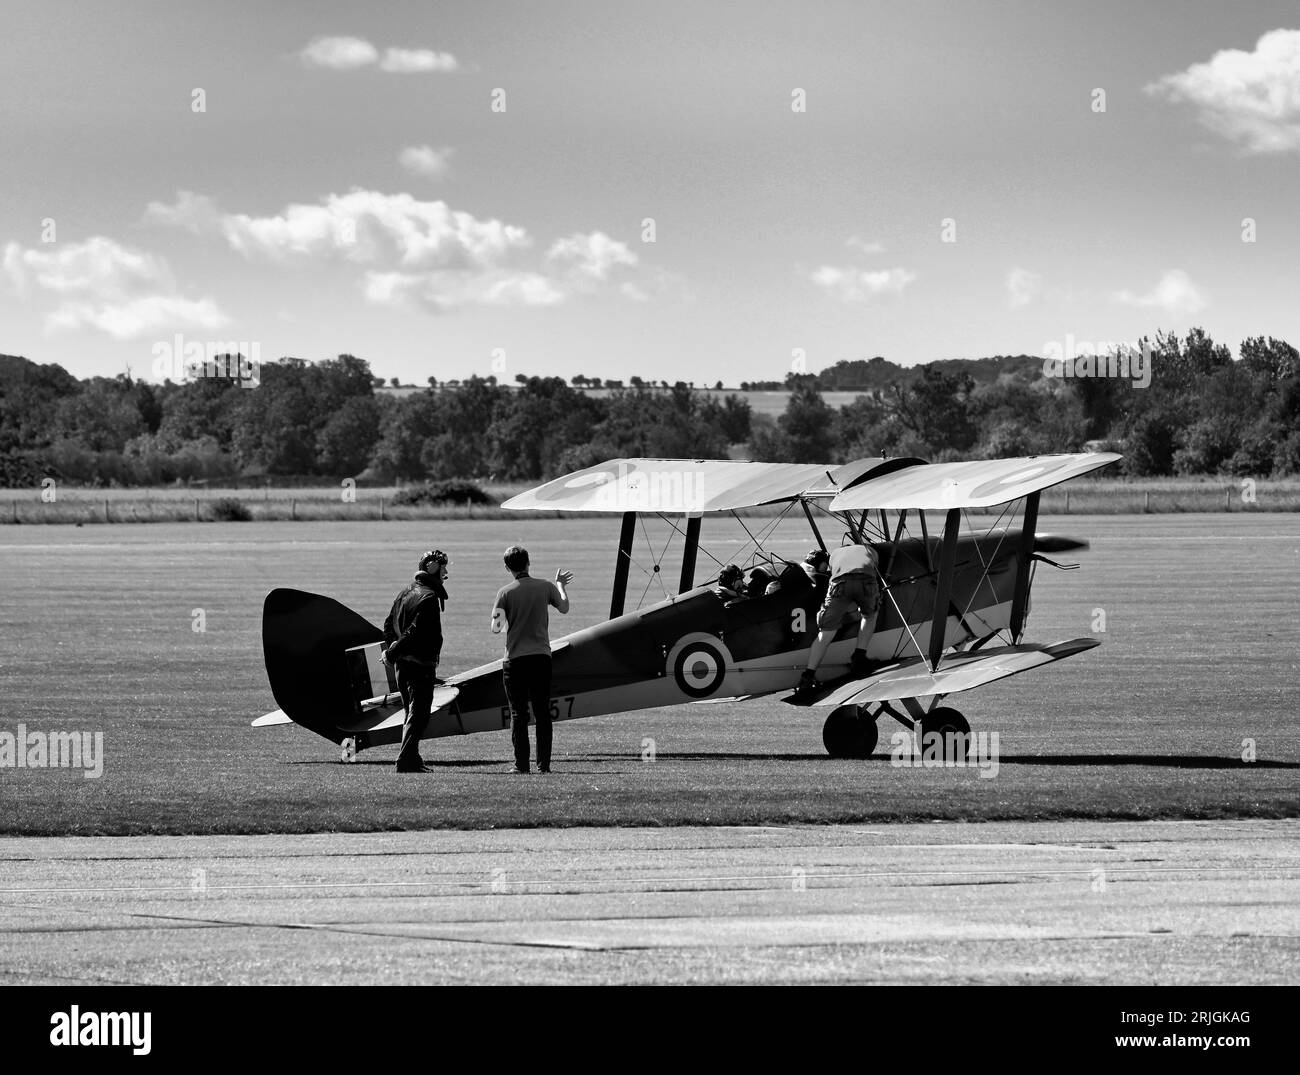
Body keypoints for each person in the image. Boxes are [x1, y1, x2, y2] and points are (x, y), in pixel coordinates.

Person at [490, 545, 572, 774]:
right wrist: (560, 586)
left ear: (507, 567)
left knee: (518, 713)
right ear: (529, 562)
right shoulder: (545, 587)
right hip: (541, 658)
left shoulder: (505, 592)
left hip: (515, 659)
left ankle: (521, 765)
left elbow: (496, 628)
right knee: (542, 712)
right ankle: (543, 764)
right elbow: (564, 608)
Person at [382, 549, 450, 773]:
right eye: (443, 568)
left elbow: (388, 624)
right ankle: (405, 761)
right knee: (419, 715)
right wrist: (393, 653)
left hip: (403, 666)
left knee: (410, 713)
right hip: (419, 665)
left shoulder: (405, 592)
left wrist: (393, 649)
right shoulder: (429, 597)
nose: (446, 572)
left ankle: (412, 757)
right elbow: (414, 632)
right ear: (432, 569)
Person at [795, 540, 881, 697]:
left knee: (826, 631)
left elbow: (831, 573)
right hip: (866, 580)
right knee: (869, 615)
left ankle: (808, 675)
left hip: (839, 583)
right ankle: (859, 657)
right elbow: (876, 570)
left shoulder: (835, 554)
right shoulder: (870, 550)